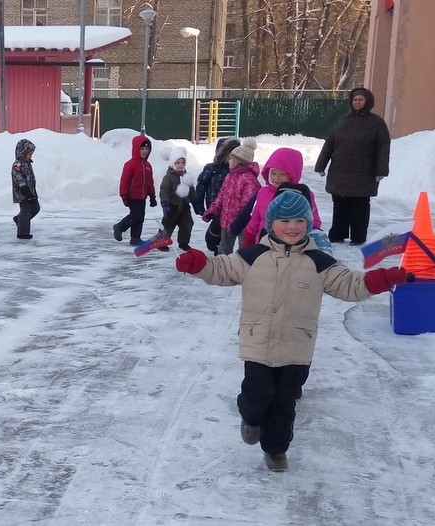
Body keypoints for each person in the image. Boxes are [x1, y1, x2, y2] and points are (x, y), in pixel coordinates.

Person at [175, 189, 408, 472]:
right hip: (258, 341)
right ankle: (250, 418)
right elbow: (221, 269)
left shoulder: (319, 262)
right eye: (285, 221)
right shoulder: (252, 256)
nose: (292, 227)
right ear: (271, 223)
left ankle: (276, 449)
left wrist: (381, 279)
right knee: (256, 394)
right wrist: (200, 264)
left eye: (299, 220)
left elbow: (350, 285)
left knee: (284, 404)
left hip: (297, 346)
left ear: (308, 223)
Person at [315, 87, 391, 246]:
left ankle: (358, 237)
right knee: (339, 205)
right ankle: (337, 235)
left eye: (361, 99)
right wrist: (321, 164)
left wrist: (381, 170)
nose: (357, 102)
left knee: (360, 207)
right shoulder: (342, 121)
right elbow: (330, 143)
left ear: (367, 101)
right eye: (355, 99)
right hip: (339, 171)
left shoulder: (376, 123)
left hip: (364, 173)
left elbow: (383, 147)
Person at [240, 147, 322, 247]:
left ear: (293, 174)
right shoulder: (263, 192)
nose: (277, 178)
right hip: (264, 245)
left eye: (282, 174)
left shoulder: (303, 194)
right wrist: (249, 239)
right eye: (273, 173)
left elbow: (314, 221)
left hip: (293, 245)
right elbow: (255, 220)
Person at [202, 138, 260, 255]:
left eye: (231, 158)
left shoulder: (249, 180)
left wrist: (239, 222)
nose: (228, 160)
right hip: (226, 221)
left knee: (244, 250)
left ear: (238, 161)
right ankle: (224, 270)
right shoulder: (229, 176)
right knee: (223, 249)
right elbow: (221, 197)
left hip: (242, 224)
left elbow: (247, 206)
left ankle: (242, 270)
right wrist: (212, 210)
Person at [192, 137, 241, 254]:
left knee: (225, 238)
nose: (232, 159)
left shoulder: (239, 172)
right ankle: (213, 244)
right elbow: (201, 187)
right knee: (213, 238)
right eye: (230, 154)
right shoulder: (212, 169)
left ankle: (221, 258)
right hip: (215, 208)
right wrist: (199, 207)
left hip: (232, 210)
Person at [113, 135, 157, 246]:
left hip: (142, 197)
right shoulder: (130, 165)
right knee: (135, 216)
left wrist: (152, 196)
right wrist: (124, 195)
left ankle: (135, 238)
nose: (144, 151)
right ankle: (119, 227)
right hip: (132, 196)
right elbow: (125, 181)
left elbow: (150, 182)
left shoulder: (148, 166)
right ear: (136, 149)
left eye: (147, 149)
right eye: (142, 149)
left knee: (140, 217)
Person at [158, 147, 196, 251]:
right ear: (173, 164)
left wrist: (196, 203)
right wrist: (165, 204)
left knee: (187, 225)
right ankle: (161, 243)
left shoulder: (186, 176)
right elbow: (164, 190)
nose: (180, 165)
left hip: (184, 206)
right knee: (168, 225)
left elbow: (191, 191)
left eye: (182, 162)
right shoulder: (169, 177)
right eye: (178, 162)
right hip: (172, 206)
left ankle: (183, 243)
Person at [11, 138, 40, 240]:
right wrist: (24, 188)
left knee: (36, 208)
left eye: (31, 153)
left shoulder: (27, 163)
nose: (31, 155)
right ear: (22, 153)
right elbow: (18, 177)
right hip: (22, 192)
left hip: (31, 191)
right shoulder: (17, 164)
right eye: (29, 153)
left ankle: (19, 219)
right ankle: (22, 233)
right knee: (26, 211)